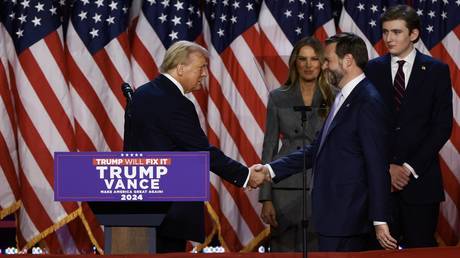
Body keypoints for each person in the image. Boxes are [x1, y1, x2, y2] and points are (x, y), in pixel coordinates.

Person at [256, 33, 397, 252]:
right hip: (334, 215)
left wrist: (380, 219)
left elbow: (377, 165)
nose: (324, 66)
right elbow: (316, 150)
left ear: (347, 61)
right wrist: (269, 170)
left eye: (327, 60)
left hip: (348, 216)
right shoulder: (344, 97)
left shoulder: (367, 100)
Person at [126, 40, 269, 252]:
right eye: (201, 67)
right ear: (180, 68)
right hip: (169, 209)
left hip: (138, 205)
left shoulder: (141, 94)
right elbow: (201, 151)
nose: (204, 74)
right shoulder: (176, 102)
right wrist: (246, 175)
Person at [365, 5, 453, 248]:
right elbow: (367, 126)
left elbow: (442, 127)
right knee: (378, 250)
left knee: (421, 248)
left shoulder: (437, 71)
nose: (388, 38)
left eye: (396, 32)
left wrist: (407, 168)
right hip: (380, 183)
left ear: (413, 34)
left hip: (421, 182)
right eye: (385, 32)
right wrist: (387, 167)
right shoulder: (372, 69)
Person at [258, 36, 335, 252]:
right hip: (284, 186)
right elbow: (269, 147)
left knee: (320, 247)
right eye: (303, 59)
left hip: (321, 183)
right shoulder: (277, 97)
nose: (309, 65)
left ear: (322, 62)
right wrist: (266, 198)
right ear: (295, 63)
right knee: (283, 249)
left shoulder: (336, 97)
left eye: (314, 59)